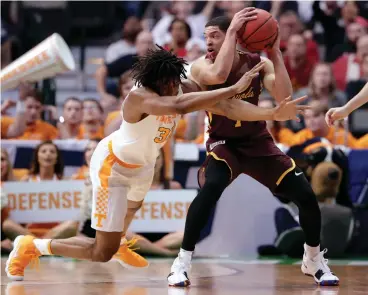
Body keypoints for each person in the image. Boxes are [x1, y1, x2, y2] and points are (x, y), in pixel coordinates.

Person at [6, 46, 306, 281]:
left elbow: (225, 106)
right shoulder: (139, 96)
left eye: (174, 82)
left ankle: (119, 241)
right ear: (153, 82)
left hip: (144, 165)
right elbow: (178, 106)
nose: (172, 87)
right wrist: (231, 86)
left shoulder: (179, 85)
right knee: (102, 251)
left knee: (121, 231)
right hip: (114, 167)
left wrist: (272, 114)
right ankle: (32, 246)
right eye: (166, 84)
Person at [167, 11, 339, 287]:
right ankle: (182, 262)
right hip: (223, 142)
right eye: (206, 36)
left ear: (233, 40)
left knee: (305, 195)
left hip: (257, 141)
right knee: (211, 187)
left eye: (216, 35)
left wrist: (275, 51)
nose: (209, 41)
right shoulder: (200, 67)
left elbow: (284, 96)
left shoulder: (258, 64)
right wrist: (233, 31)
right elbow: (220, 76)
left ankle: (313, 259)